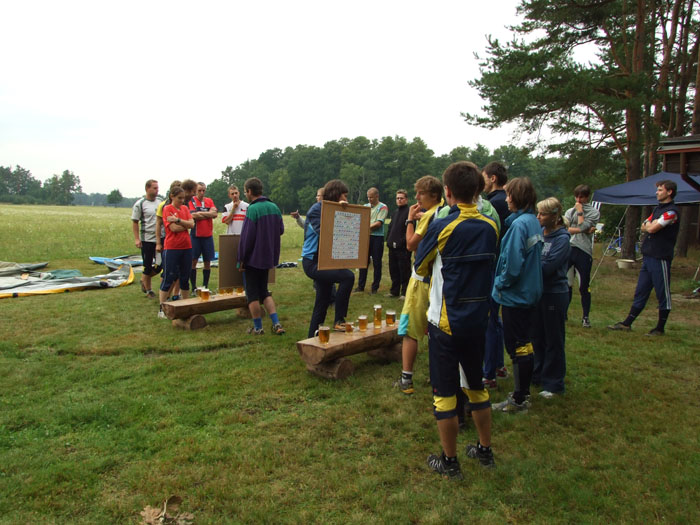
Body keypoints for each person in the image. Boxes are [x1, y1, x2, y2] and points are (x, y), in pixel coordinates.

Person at [414, 161, 499, 480]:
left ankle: (449, 461)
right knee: (476, 386)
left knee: (445, 393)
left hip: (445, 321)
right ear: (479, 189)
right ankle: (485, 450)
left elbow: (420, 267)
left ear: (447, 192)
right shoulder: (492, 224)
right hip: (478, 320)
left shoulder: (443, 224)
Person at [491, 177, 543, 413]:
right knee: (525, 343)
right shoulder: (532, 221)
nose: (507, 199)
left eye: (510, 195)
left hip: (516, 295)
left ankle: (519, 399)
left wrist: (499, 284)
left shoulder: (519, 226)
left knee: (517, 345)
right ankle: (523, 393)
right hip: (529, 292)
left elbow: (512, 266)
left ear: (518, 197)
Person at [608, 180, 680, 335]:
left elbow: (652, 228)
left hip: (660, 256)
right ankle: (627, 323)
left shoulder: (672, 211)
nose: (657, 192)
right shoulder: (658, 209)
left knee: (662, 293)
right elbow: (644, 225)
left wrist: (651, 225)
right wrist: (650, 224)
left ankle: (660, 328)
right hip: (648, 256)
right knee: (641, 291)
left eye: (660, 190)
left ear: (669, 192)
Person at [394, 176, 445, 395]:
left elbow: (410, 244)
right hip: (440, 281)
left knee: (410, 331)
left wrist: (410, 220)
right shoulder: (445, 211)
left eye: (421, 193)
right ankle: (437, 377)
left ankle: (406, 379)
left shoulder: (430, 215)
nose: (417, 198)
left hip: (422, 281)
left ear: (434, 195)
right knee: (436, 330)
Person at [301, 180, 355, 337]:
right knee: (348, 277)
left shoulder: (334, 208)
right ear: (337, 195)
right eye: (344, 195)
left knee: (322, 302)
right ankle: (339, 321)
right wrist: (343, 214)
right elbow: (328, 233)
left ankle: (312, 338)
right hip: (313, 262)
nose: (346, 199)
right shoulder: (316, 211)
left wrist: (345, 211)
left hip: (327, 261)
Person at [532, 197, 571, 398]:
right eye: (538, 213)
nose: (539, 217)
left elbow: (549, 267)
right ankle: (538, 374)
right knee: (537, 337)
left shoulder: (562, 239)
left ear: (554, 216)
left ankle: (554, 383)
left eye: (543, 214)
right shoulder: (540, 234)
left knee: (553, 338)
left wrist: (528, 268)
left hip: (555, 294)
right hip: (539, 293)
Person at [238, 177, 285, 335]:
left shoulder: (253, 209)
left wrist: (241, 259)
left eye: (245, 192)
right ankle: (276, 324)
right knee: (264, 291)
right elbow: (281, 230)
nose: (245, 194)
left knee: (252, 294)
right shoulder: (274, 207)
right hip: (267, 258)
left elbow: (247, 238)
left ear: (250, 191)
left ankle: (258, 328)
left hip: (252, 259)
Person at [482, 162, 511, 388]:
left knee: (489, 320)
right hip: (498, 266)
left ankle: (488, 373)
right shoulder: (501, 201)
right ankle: (499, 365)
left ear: (492, 178)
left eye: (483, 177)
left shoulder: (495, 204)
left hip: (492, 266)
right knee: (495, 319)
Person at [564, 184, 600, 328]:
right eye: (577, 196)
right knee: (567, 283)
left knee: (584, 285)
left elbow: (583, 226)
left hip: (583, 251)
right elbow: (564, 228)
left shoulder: (594, 212)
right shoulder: (569, 211)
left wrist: (580, 214)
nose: (579, 199)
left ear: (587, 197)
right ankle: (563, 313)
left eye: (582, 197)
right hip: (569, 248)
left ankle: (585, 317)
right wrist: (581, 229)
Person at [158, 187, 194, 317]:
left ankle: (186, 306)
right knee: (169, 277)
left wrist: (179, 220)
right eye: (179, 198)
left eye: (183, 198)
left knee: (185, 278)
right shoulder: (167, 209)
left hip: (187, 247)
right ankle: (162, 308)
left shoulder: (184, 209)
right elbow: (173, 228)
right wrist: (185, 225)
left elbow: (192, 224)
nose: (182, 201)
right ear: (172, 196)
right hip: (172, 248)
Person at [131, 179, 162, 298]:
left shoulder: (160, 202)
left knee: (160, 266)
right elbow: (135, 222)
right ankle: (149, 290)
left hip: (159, 238)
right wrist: (137, 239)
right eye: (154, 188)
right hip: (146, 239)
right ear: (147, 189)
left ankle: (144, 278)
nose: (157, 190)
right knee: (147, 265)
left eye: (157, 188)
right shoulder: (140, 203)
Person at [355, 187, 388, 294]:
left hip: (377, 238)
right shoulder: (366, 207)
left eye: (372, 197)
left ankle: (375, 288)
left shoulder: (383, 207)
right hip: (366, 237)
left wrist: (365, 227)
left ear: (377, 196)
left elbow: (378, 223)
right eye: (368, 197)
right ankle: (360, 286)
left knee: (377, 262)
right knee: (363, 262)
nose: (369, 199)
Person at [189, 182, 218, 291]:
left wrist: (200, 213)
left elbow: (215, 214)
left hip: (207, 236)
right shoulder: (191, 201)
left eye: (203, 190)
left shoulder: (209, 201)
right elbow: (192, 215)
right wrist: (208, 214)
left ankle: (205, 286)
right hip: (195, 235)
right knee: (193, 261)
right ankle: (193, 287)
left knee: (207, 262)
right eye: (199, 190)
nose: (201, 192)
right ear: (195, 191)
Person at [385, 189, 411, 299]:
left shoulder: (409, 212)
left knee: (404, 270)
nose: (399, 200)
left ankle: (405, 292)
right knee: (393, 269)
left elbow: (409, 229)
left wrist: (402, 242)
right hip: (392, 247)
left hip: (402, 248)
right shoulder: (395, 212)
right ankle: (394, 291)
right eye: (397, 198)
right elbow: (391, 227)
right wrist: (388, 240)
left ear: (406, 199)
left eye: (401, 198)